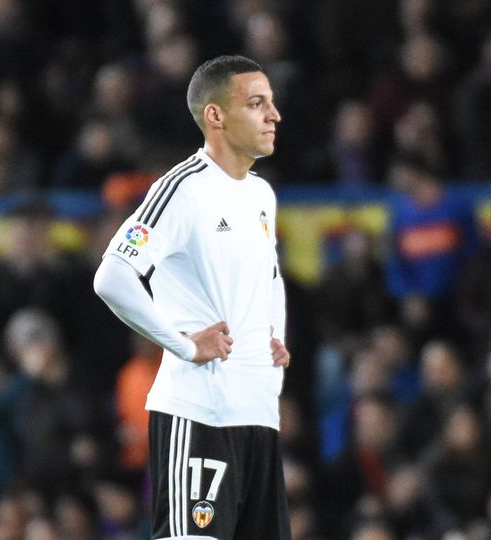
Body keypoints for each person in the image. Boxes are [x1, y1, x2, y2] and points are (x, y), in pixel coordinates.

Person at [93, 55, 291, 539]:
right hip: (200, 412)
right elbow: (112, 276)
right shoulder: (181, 189)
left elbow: (271, 278)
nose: (274, 115)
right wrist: (183, 344)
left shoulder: (261, 195)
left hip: (258, 415)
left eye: (271, 103)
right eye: (256, 103)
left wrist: (274, 337)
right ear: (216, 116)